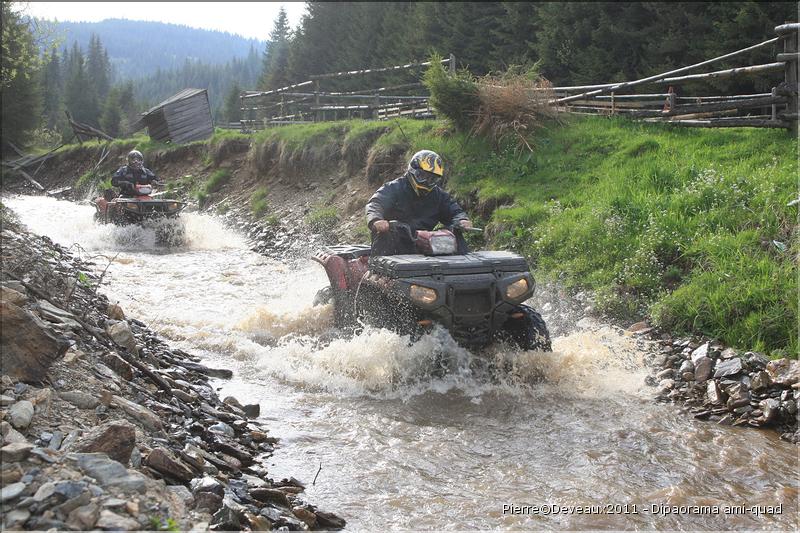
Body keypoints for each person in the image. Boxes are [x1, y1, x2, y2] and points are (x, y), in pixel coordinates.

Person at [365, 149, 472, 255]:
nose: (426, 182)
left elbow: (454, 210)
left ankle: (467, 268)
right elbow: (375, 204)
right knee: (386, 234)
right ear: (412, 171)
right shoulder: (393, 188)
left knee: (455, 232)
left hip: (425, 242)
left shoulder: (439, 195)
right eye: (422, 176)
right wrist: (376, 220)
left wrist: (461, 220)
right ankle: (378, 269)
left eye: (432, 179)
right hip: (396, 240)